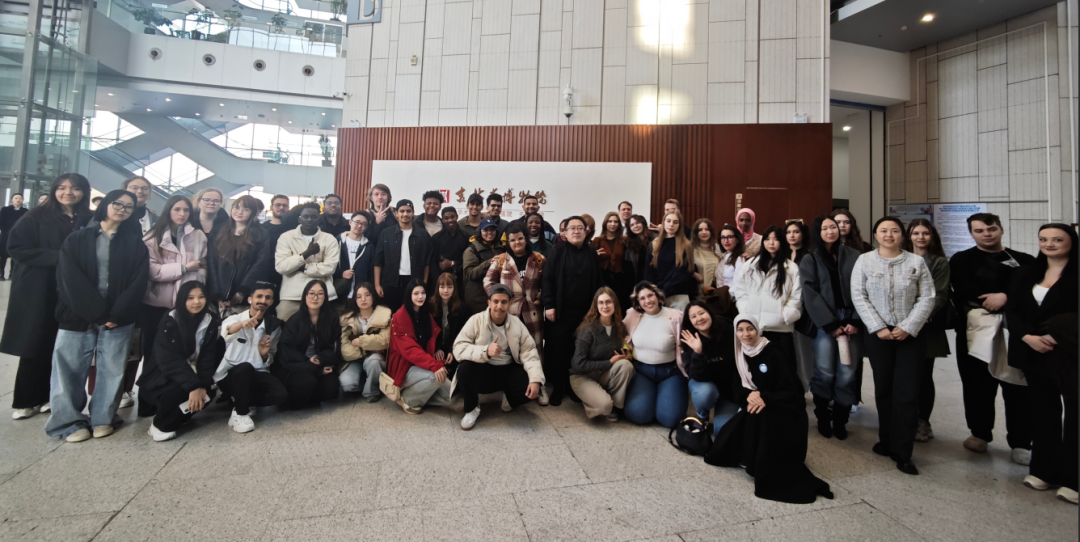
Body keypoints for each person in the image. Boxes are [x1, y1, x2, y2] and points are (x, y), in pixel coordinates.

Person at [45, 189, 149, 442]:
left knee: (112, 369)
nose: (122, 209)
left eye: (129, 207)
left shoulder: (135, 243)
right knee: (68, 370)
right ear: (105, 204)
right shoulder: (77, 239)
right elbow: (69, 280)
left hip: (118, 318)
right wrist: (97, 313)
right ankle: (68, 422)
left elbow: (138, 282)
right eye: (118, 204)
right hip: (76, 314)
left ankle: (103, 417)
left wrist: (117, 313)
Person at [705, 315, 834, 504]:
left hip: (785, 406)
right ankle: (751, 457)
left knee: (760, 416)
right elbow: (737, 386)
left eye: (750, 329)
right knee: (725, 438)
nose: (746, 334)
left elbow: (791, 391)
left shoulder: (773, 353)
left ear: (758, 330)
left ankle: (759, 464)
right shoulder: (740, 353)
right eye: (740, 330)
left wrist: (764, 397)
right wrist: (749, 395)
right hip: (758, 402)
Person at [3, 174, 92, 420]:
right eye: (62, 188)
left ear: (84, 192)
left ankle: (53, 397)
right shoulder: (36, 216)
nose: (68, 192)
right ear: (54, 190)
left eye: (75, 188)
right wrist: (60, 257)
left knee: (63, 345)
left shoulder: (88, 218)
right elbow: (16, 248)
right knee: (35, 341)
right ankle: (27, 400)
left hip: (73, 288)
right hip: (39, 287)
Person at [851, 217, 935, 475]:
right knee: (884, 388)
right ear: (875, 234)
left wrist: (908, 326)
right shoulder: (864, 260)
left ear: (902, 235)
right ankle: (886, 440)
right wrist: (878, 327)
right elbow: (859, 296)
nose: (889, 235)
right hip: (878, 334)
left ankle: (903, 451)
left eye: (895, 230)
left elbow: (927, 297)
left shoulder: (916, 262)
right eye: (884, 230)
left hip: (910, 335)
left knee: (907, 393)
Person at [949, 212, 1034, 463]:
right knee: (976, 384)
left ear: (1001, 230)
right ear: (971, 233)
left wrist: (1005, 297)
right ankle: (979, 433)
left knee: (1018, 385)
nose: (986, 234)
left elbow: (1032, 291)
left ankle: (1021, 442)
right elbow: (965, 290)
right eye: (979, 231)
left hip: (1015, 332)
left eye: (991, 229)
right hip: (976, 330)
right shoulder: (962, 259)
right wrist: (1000, 295)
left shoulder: (1025, 260)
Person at [1007, 224, 1078, 504]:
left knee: (1075, 415)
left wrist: (1056, 335)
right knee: (1043, 412)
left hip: (1069, 351)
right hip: (1033, 350)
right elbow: (1013, 310)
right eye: (1044, 239)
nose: (1049, 244)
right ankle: (1044, 470)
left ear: (1071, 242)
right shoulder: (1025, 273)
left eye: (1057, 239)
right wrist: (1027, 336)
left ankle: (1073, 478)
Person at [137, 195, 207, 415]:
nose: (182, 214)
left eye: (186, 210)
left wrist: (197, 284)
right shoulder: (152, 236)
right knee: (153, 352)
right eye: (177, 209)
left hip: (186, 303)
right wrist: (184, 269)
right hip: (157, 303)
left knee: (181, 351)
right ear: (168, 210)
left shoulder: (198, 235)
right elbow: (152, 271)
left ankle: (171, 396)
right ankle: (147, 402)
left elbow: (203, 266)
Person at [800, 215, 864, 440]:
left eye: (833, 227)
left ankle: (840, 419)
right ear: (818, 232)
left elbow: (863, 288)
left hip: (852, 320)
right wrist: (830, 324)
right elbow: (809, 293)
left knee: (847, 372)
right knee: (825, 372)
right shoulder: (810, 259)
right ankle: (822, 417)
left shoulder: (854, 256)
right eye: (825, 228)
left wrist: (855, 320)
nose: (831, 231)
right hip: (825, 323)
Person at [138, 281, 222, 441]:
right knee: (179, 389)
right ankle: (159, 425)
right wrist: (194, 386)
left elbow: (207, 358)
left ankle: (181, 416)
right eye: (190, 298)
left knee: (208, 393)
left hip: (190, 372)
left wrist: (202, 385)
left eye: (201, 297)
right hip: (161, 377)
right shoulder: (170, 321)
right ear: (182, 299)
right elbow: (170, 362)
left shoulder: (209, 320)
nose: (196, 302)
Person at [453, 284, 545, 430]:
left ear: (509, 304)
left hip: (508, 369)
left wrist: (535, 379)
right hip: (484, 369)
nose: (499, 306)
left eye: (504, 302)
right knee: (464, 369)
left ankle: (509, 399)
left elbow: (529, 352)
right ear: (489, 303)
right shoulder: (476, 320)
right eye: (495, 301)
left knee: (531, 385)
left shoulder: (517, 323)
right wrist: (485, 351)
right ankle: (472, 409)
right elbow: (458, 348)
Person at [542, 215, 603, 405]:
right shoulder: (557, 251)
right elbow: (547, 279)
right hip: (560, 312)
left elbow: (598, 281)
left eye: (580, 228)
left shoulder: (591, 253)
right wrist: (549, 305)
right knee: (558, 350)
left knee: (579, 350)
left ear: (586, 232)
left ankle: (573, 386)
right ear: (565, 233)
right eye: (572, 228)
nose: (576, 231)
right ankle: (558, 387)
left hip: (585, 313)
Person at [484, 223, 546, 400]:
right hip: (508, 312)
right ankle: (512, 389)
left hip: (532, 312)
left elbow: (547, 281)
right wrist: (498, 301)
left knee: (535, 349)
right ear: (508, 242)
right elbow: (488, 282)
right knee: (511, 350)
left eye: (520, 238)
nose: (517, 243)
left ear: (526, 239)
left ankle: (539, 385)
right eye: (512, 240)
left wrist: (541, 295)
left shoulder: (538, 259)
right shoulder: (501, 260)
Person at [216, 283, 289, 433]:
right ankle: (240, 413)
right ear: (250, 299)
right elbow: (227, 330)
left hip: (256, 372)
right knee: (244, 368)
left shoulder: (274, 326)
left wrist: (263, 354)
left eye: (267, 298)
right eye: (259, 296)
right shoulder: (235, 318)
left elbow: (270, 356)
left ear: (272, 302)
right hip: (231, 374)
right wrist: (242, 324)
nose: (263, 300)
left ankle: (243, 401)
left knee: (280, 394)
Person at [902, 219, 950, 443]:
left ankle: (923, 421)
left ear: (932, 237)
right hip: (899, 325)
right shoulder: (900, 258)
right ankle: (903, 418)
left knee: (922, 376)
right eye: (916, 233)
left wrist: (915, 318)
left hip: (926, 326)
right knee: (903, 376)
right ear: (909, 236)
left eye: (925, 233)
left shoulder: (939, 262)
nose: (920, 237)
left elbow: (938, 295)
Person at [732, 225, 803, 364]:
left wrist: (785, 315)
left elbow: (796, 296)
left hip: (780, 330)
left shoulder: (791, 268)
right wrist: (746, 311)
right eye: (767, 239)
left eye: (776, 239)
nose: (771, 243)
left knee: (784, 369)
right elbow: (740, 291)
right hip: (755, 329)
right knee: (758, 369)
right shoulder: (750, 266)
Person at [623, 281, 688, 428]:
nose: (647, 301)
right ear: (638, 302)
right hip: (642, 371)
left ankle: (662, 400)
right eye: (642, 298)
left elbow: (685, 343)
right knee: (637, 415)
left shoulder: (675, 316)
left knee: (671, 420)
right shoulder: (632, 315)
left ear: (657, 296)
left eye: (650, 295)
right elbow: (620, 333)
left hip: (670, 372)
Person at [385, 279, 453, 413]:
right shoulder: (399, 317)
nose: (420, 297)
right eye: (416, 293)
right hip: (404, 367)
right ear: (409, 295)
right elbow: (410, 350)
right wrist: (434, 365)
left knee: (452, 396)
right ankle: (409, 399)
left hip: (423, 365)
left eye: (423, 293)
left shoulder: (426, 314)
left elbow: (434, 336)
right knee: (435, 377)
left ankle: (419, 395)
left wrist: (437, 349)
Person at [570, 287, 634, 422]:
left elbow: (622, 350)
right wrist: (609, 362)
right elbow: (578, 365)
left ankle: (614, 405)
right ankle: (598, 401)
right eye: (601, 303)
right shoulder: (587, 329)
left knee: (626, 365)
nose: (605, 306)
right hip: (583, 376)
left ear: (615, 304)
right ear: (596, 305)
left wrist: (626, 356)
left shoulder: (620, 327)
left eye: (609, 302)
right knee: (604, 406)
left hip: (605, 374)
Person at [274, 280, 341, 409]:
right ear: (305, 296)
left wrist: (321, 360)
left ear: (325, 297)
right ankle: (291, 402)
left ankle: (310, 397)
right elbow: (288, 351)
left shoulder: (332, 318)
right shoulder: (294, 320)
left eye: (320, 294)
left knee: (331, 389)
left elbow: (334, 346)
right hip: (298, 365)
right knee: (307, 382)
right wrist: (312, 366)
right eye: (311, 293)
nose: (315, 298)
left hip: (321, 362)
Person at [274, 203, 340, 322]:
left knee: (322, 330)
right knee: (283, 328)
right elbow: (281, 267)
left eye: (313, 217)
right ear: (300, 219)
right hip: (292, 295)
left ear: (319, 219)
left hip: (321, 295)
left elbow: (329, 268)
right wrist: (306, 254)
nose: (309, 219)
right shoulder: (286, 237)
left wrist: (303, 267)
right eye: (306, 216)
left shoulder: (329, 239)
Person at [680, 301, 738, 432]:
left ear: (710, 313)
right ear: (690, 322)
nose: (699, 318)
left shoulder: (729, 330)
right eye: (693, 316)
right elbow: (697, 376)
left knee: (722, 431)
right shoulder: (690, 338)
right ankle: (702, 416)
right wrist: (698, 352)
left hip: (729, 388)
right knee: (706, 393)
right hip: (706, 384)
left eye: (701, 313)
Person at [209, 195, 267, 312]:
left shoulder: (260, 233)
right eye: (236, 207)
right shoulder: (217, 230)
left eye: (245, 209)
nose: (240, 212)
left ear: (253, 213)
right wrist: (217, 295)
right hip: (218, 294)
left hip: (243, 295)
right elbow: (211, 262)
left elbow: (260, 263)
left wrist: (242, 290)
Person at [374, 199, 432, 313]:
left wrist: (424, 283)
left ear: (413, 213)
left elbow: (427, 262)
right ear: (396, 213)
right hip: (391, 282)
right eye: (402, 211)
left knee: (413, 313)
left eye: (408, 211)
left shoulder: (423, 235)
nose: (405, 214)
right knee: (391, 314)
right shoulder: (386, 234)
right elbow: (378, 261)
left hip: (414, 282)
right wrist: (377, 284)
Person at [339, 282, 392, 402]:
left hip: (375, 358)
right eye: (359, 296)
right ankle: (365, 381)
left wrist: (360, 341)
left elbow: (385, 341)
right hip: (355, 359)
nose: (363, 299)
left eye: (367, 295)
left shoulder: (384, 315)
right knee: (347, 385)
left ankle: (372, 391)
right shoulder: (347, 319)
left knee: (374, 361)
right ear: (355, 299)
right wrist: (368, 349)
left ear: (373, 297)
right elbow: (345, 350)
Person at [784, 220, 816, 391]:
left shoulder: (809, 255)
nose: (792, 235)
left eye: (796, 232)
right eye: (789, 232)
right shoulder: (781, 254)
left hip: (804, 306)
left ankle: (806, 385)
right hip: (783, 306)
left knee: (804, 350)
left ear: (803, 234)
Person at [644, 210, 695, 312]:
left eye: (675, 222)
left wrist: (663, 291)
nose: (671, 224)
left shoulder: (686, 245)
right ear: (663, 222)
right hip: (656, 295)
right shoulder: (654, 244)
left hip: (678, 295)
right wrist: (651, 293)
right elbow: (648, 272)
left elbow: (684, 273)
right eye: (668, 221)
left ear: (679, 225)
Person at [431, 272, 470, 379]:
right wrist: (436, 348)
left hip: (455, 347)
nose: (445, 291)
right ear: (437, 288)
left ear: (454, 289)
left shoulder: (463, 308)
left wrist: (452, 351)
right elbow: (428, 332)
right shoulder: (430, 306)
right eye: (442, 287)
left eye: (449, 287)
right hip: (435, 348)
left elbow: (463, 334)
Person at [462, 218, 505, 313]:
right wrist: (489, 263)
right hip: (477, 298)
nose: (489, 233)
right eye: (486, 230)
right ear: (480, 232)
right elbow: (469, 273)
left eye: (492, 230)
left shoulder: (500, 248)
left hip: (495, 296)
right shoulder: (472, 250)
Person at [594, 211, 632, 307]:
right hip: (603, 279)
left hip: (620, 279)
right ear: (605, 223)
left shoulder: (624, 241)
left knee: (620, 305)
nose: (613, 224)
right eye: (610, 221)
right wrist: (594, 255)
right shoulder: (597, 241)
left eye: (615, 222)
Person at [334, 210, 375, 301]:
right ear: (350, 222)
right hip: (339, 292)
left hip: (360, 296)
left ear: (366, 227)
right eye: (357, 222)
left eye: (363, 224)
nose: (359, 226)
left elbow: (371, 272)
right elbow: (329, 266)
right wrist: (341, 273)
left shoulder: (369, 246)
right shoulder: (337, 242)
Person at [431, 206, 470, 289]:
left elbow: (469, 261)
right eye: (446, 218)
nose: (450, 220)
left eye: (452, 217)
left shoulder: (466, 237)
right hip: (441, 281)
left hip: (462, 280)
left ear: (457, 217)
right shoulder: (436, 238)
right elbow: (433, 262)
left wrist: (452, 263)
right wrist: (437, 281)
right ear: (442, 220)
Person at [0, 193, 28, 280]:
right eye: (16, 198)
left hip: (18, 236)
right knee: (3, 256)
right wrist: (5, 232)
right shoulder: (5, 210)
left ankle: (12, 274)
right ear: (11, 199)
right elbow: (1, 222)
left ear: (22, 200)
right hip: (6, 236)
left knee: (15, 256)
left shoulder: (25, 211)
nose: (18, 200)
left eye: (20, 198)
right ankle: (1, 274)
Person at [714, 224, 746, 297]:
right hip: (720, 297)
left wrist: (724, 296)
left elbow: (738, 284)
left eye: (730, 237)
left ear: (737, 239)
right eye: (723, 237)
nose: (726, 241)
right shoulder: (723, 256)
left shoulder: (740, 259)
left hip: (731, 298)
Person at [691, 218, 721, 294]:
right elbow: (682, 268)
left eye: (707, 229)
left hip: (714, 293)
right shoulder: (691, 249)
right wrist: (694, 274)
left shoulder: (717, 248)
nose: (704, 232)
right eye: (700, 230)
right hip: (697, 293)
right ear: (696, 232)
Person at [623, 214, 652, 288]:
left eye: (638, 222)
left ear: (643, 223)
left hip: (654, 278)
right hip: (638, 281)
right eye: (632, 225)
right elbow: (629, 269)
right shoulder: (629, 244)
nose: (635, 226)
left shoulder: (655, 238)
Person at [366, 184, 395, 248]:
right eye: (376, 194)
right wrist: (377, 223)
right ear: (371, 198)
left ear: (388, 197)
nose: (380, 197)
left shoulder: (396, 213)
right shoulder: (366, 215)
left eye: (383, 194)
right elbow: (365, 239)